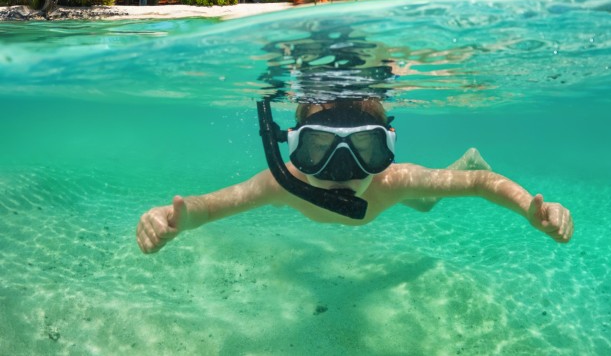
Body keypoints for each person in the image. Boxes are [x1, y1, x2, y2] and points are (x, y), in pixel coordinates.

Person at [136, 98, 574, 254]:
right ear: (293, 148)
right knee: (422, 202)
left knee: (422, 195)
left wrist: (530, 210)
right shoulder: (284, 182)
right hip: (393, 201)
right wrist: (177, 218)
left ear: (387, 148)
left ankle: (458, 164)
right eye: (319, 150)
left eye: (365, 149)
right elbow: (210, 206)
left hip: (398, 195)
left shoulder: (392, 180)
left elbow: (481, 183)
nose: (341, 171)